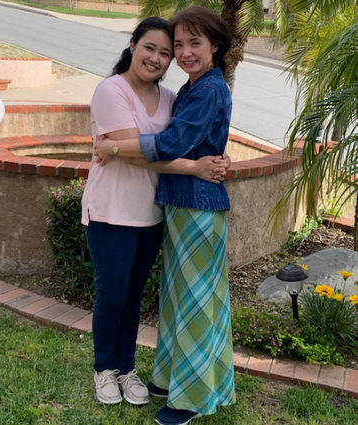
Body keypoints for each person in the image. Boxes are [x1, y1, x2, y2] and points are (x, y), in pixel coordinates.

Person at [95, 6, 236, 425]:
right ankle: (174, 376)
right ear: (134, 47)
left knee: (196, 303)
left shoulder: (209, 89)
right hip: (178, 203)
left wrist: (114, 148)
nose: (184, 53)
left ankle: (192, 399)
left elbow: (173, 141)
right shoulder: (191, 89)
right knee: (180, 301)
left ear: (216, 46)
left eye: (195, 43)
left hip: (198, 205)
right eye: (180, 45)